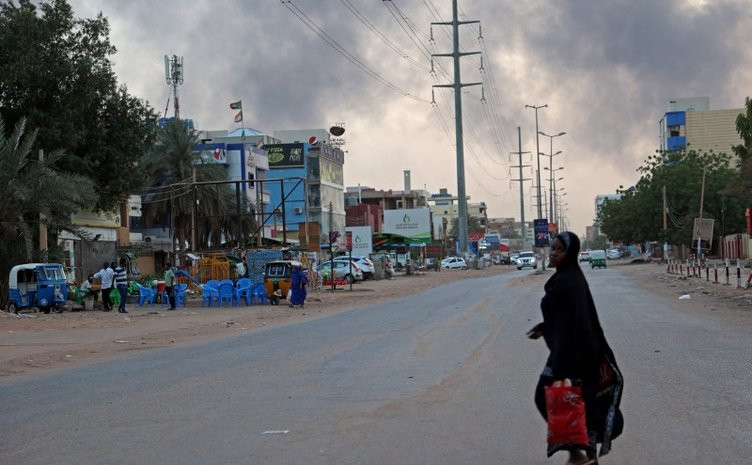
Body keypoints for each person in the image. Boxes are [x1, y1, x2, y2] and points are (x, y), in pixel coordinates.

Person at [528, 231, 624, 464]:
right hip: (578, 353)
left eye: (558, 250)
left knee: (550, 398)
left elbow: (572, 323)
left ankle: (578, 454)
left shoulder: (568, 282)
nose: (553, 254)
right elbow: (567, 317)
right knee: (582, 403)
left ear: (569, 253)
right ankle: (585, 455)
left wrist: (563, 369)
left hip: (572, 357)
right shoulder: (569, 277)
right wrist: (545, 327)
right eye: (552, 249)